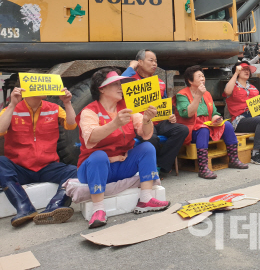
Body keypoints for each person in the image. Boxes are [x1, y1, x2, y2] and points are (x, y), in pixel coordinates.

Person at [77, 68, 170, 229]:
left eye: (121, 83)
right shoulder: (90, 111)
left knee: (147, 148)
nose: (121, 87)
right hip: (95, 168)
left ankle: (146, 199)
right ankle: (98, 210)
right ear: (102, 89)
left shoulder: (127, 107)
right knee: (98, 156)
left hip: (121, 165)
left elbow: (146, 134)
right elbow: (91, 138)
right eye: (116, 84)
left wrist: (147, 120)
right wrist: (115, 124)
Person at [0, 85, 78, 227]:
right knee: (1, 162)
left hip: (47, 166)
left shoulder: (54, 108)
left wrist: (67, 103)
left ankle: (56, 206)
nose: (46, 89)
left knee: (75, 171)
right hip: (20, 168)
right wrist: (12, 104)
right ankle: (24, 208)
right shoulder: (11, 109)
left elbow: (71, 125)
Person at [123, 50, 189, 176]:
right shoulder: (129, 80)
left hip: (159, 121)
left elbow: (164, 103)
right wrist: (131, 67)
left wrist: (170, 115)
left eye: (156, 61)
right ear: (140, 62)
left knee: (182, 130)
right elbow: (119, 80)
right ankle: (152, 167)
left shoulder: (159, 82)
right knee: (151, 138)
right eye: (151, 60)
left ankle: (161, 166)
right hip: (141, 123)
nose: (155, 64)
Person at [176, 66, 248, 179]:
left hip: (208, 125)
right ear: (190, 81)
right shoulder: (182, 95)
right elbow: (187, 114)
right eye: (199, 76)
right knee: (203, 129)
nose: (202, 79)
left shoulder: (207, 94)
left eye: (203, 76)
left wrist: (216, 119)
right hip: (192, 128)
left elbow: (214, 112)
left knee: (227, 125)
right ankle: (203, 168)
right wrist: (198, 96)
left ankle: (234, 159)